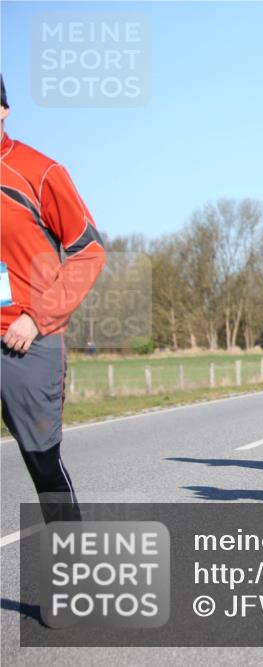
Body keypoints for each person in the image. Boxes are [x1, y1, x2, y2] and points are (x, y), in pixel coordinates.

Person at [1, 75, 106, 523]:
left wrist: (37, 318)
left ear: (3, 110)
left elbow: (89, 250)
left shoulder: (38, 171)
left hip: (24, 339)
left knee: (42, 463)